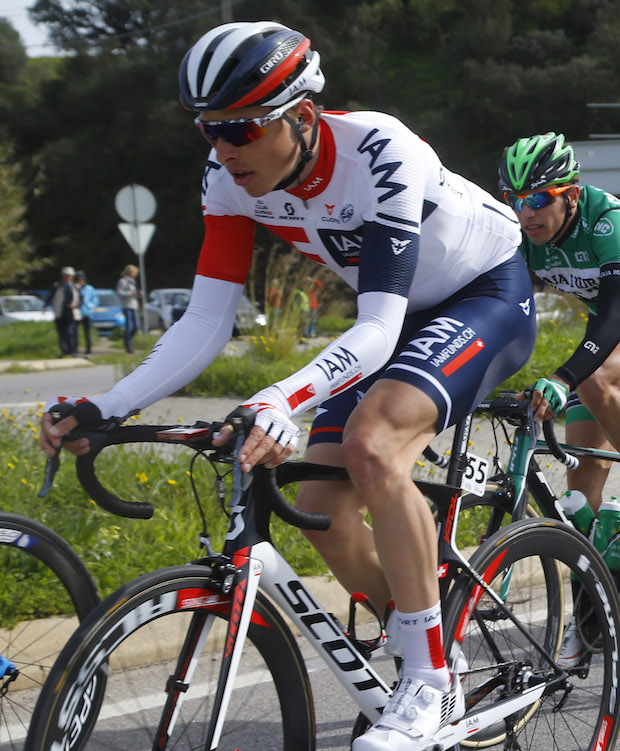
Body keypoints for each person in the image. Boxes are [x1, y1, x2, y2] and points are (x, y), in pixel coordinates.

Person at [40, 21, 537, 750]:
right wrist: (105, 404)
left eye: (240, 127)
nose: (223, 148)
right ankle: (431, 645)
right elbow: (208, 319)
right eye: (209, 130)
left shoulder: (378, 150)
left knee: (374, 446)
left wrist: (282, 397)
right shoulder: (228, 180)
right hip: (392, 317)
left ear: (302, 117)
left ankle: (429, 680)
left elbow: (377, 323)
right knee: (321, 507)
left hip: (481, 295)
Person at [499, 131, 620, 666]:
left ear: (570, 193)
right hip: (607, 337)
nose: (526, 213)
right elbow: (503, 313)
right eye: (516, 200)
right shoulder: (523, 237)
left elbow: (614, 316)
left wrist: (566, 376)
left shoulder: (605, 220)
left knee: (593, 382)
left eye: (537, 199)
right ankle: (593, 619)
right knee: (578, 494)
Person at [45, 266, 81, 357]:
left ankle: (73, 351)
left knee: (71, 332)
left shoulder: (76, 287)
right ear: (62, 276)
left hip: (72, 313)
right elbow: (50, 296)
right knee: (62, 333)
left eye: (69, 276)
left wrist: (76, 305)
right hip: (60, 312)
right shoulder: (57, 286)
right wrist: (45, 306)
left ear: (72, 277)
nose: (67, 277)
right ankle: (64, 351)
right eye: (66, 276)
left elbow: (81, 299)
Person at [116, 264, 140, 353]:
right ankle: (128, 345)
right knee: (130, 326)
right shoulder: (122, 281)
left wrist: (138, 294)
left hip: (134, 306)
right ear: (130, 272)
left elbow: (135, 293)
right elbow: (119, 292)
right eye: (134, 272)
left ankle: (128, 341)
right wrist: (131, 293)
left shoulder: (133, 282)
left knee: (136, 327)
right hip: (127, 306)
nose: (135, 274)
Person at [75, 271, 99, 355]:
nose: (81, 281)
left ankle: (88, 350)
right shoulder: (74, 287)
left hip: (87, 313)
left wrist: (90, 306)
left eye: (82, 279)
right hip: (77, 313)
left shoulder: (89, 288)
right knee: (75, 333)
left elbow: (95, 300)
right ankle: (75, 350)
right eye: (79, 279)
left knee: (87, 333)